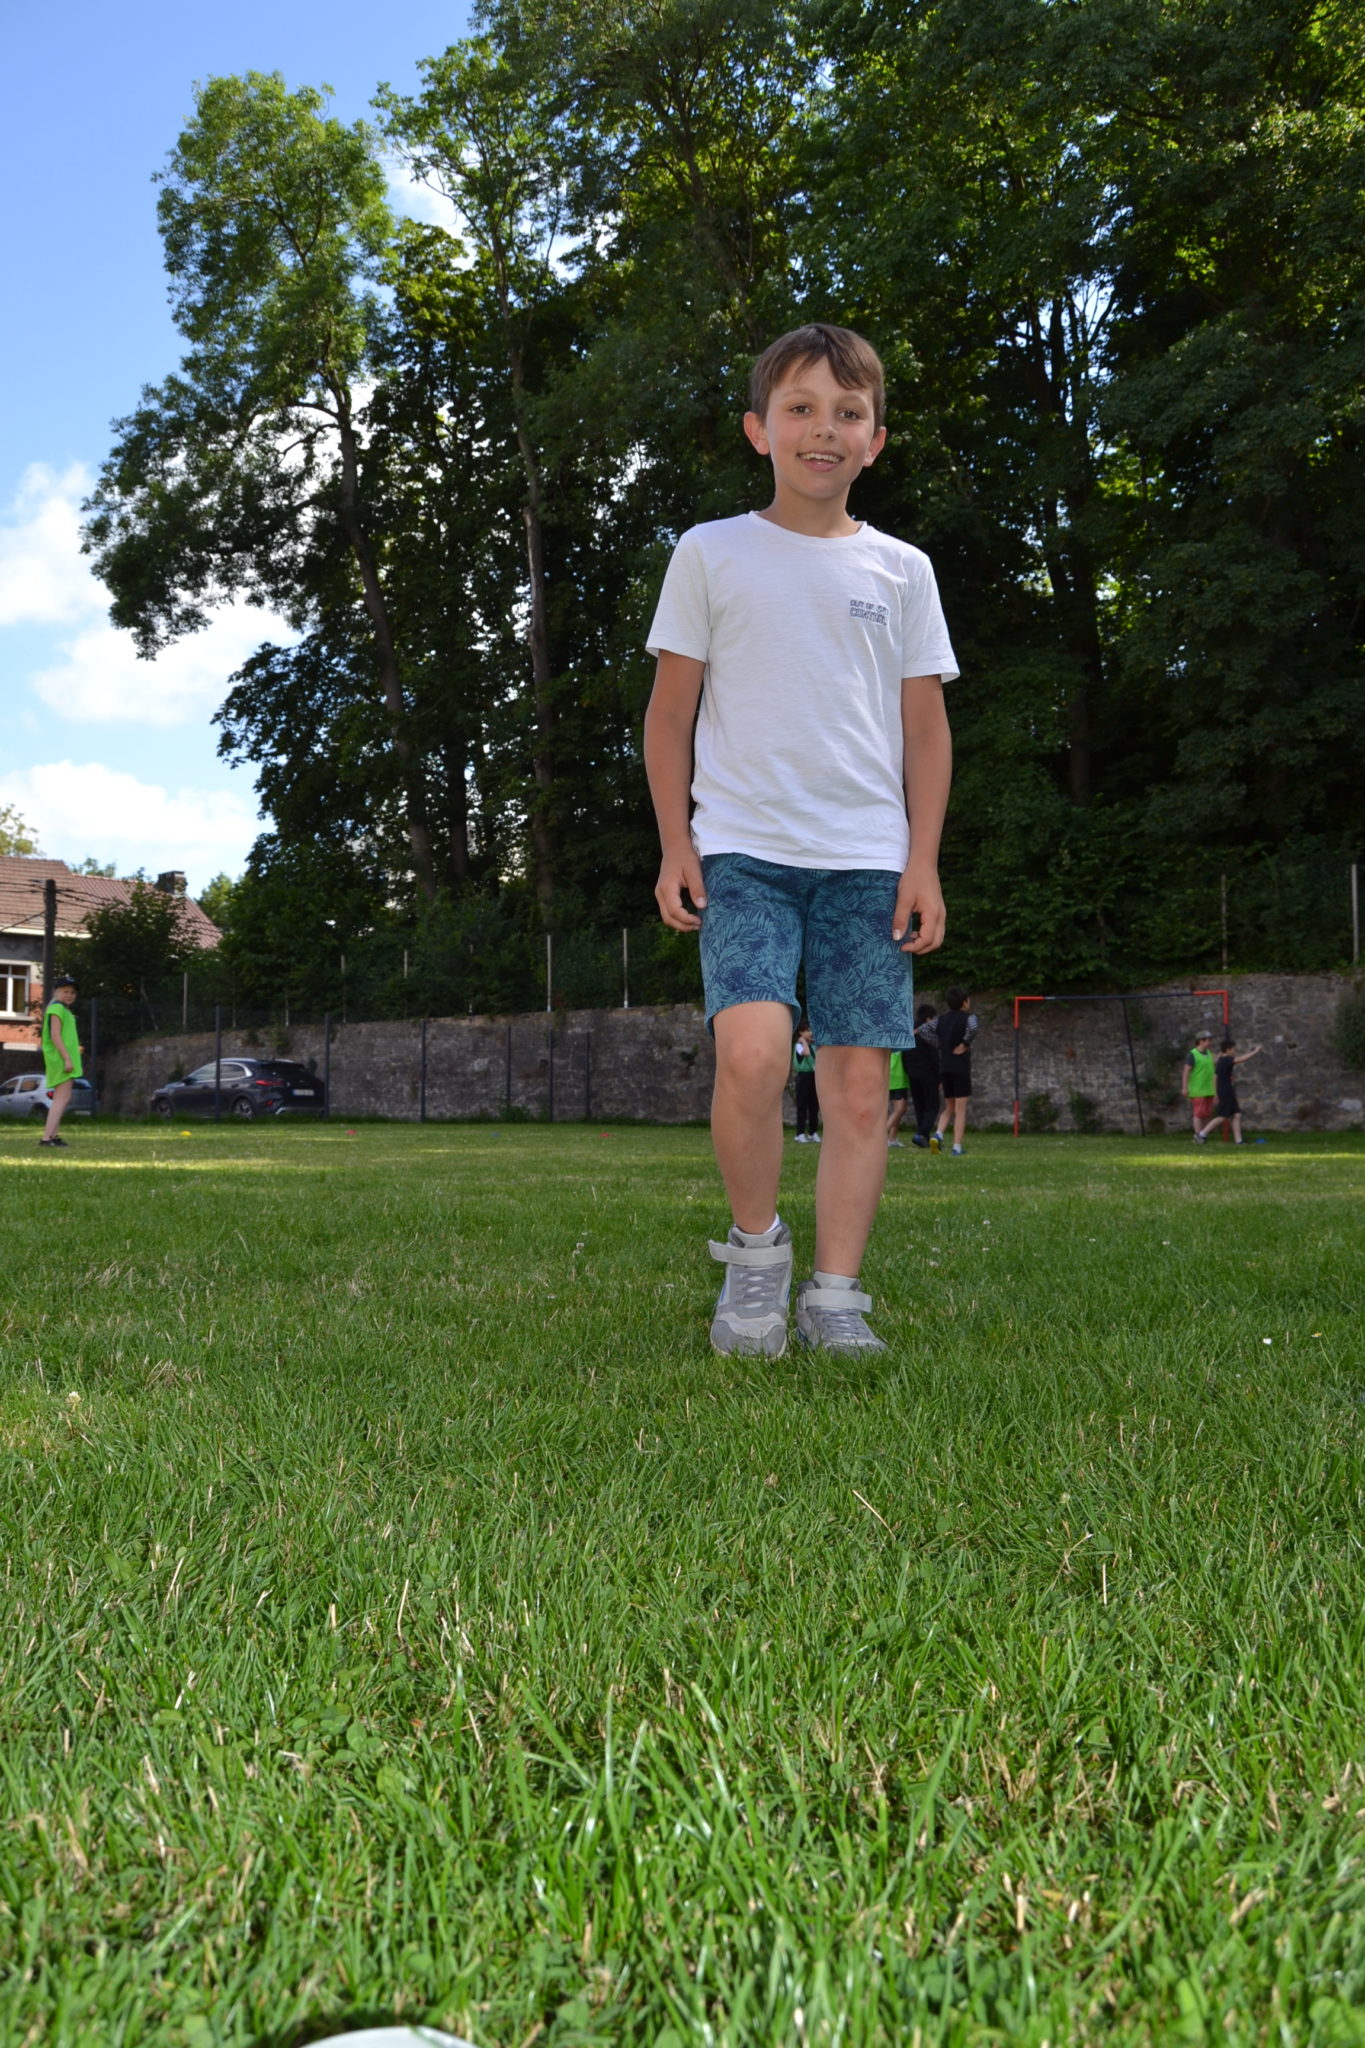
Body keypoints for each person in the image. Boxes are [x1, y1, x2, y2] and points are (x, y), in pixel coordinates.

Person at [644, 321, 957, 1355]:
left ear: (875, 440)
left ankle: (834, 1295)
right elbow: (669, 714)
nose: (824, 429)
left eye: (847, 412)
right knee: (753, 1053)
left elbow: (925, 729)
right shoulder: (710, 551)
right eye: (801, 408)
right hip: (742, 853)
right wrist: (676, 841)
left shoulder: (903, 570)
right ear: (759, 429)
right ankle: (755, 1256)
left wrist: (922, 861)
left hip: (867, 860)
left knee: (861, 1085)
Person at [40, 972, 82, 1150]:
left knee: (62, 1098)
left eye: (72, 992)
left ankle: (53, 1135)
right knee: (61, 1099)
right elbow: (55, 1035)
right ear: (56, 992)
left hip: (64, 1059)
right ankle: (47, 1138)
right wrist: (67, 1058)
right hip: (60, 1060)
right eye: (66, 991)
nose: (69, 995)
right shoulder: (56, 1009)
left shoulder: (64, 1010)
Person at [930, 988, 973, 1155]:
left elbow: (924, 1030)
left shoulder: (940, 1020)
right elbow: (974, 1028)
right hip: (960, 1067)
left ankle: (938, 1134)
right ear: (964, 1002)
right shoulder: (969, 1018)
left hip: (945, 1067)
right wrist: (965, 1043)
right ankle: (957, 1147)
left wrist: (941, 1044)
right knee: (960, 1110)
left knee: (949, 1106)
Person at [1195, 1037, 1262, 1145]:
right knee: (1222, 1116)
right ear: (1227, 1050)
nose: (1235, 1052)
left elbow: (1215, 1077)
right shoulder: (1226, 1059)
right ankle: (1201, 1134)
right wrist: (1254, 1052)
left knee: (1237, 1114)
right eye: (1234, 1049)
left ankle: (1239, 1140)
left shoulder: (1221, 1060)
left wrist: (1216, 1092)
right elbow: (1241, 1059)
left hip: (1226, 1090)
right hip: (1225, 1091)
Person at [904, 1001, 940, 1147]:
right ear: (928, 1018)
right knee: (933, 1105)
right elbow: (934, 1055)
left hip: (912, 1072)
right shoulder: (926, 1032)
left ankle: (922, 1136)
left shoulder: (910, 1031)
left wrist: (908, 1070)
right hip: (927, 1072)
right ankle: (921, 1133)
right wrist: (939, 1076)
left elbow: (904, 1054)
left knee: (919, 1105)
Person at [1182, 1030, 1217, 1138]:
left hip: (1209, 1088)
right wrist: (1184, 1087)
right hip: (1198, 1088)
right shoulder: (1193, 1054)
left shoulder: (1209, 1053)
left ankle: (1204, 1134)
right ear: (1200, 1041)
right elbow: (1186, 1071)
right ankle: (1198, 1135)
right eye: (1207, 1040)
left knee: (1207, 1113)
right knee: (1198, 1113)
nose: (1210, 1042)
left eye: (1210, 1040)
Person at [792, 1021, 821, 1142]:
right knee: (802, 1105)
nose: (811, 1033)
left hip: (814, 1076)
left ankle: (813, 1132)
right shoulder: (799, 1046)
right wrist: (803, 1041)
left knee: (814, 1105)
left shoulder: (813, 1045)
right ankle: (800, 1133)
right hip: (803, 1076)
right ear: (801, 1032)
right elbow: (806, 1053)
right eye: (808, 1030)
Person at [886, 1049, 909, 1146]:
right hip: (897, 1077)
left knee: (898, 1110)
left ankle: (892, 1138)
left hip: (897, 1077)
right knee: (900, 1109)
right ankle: (882, 1134)